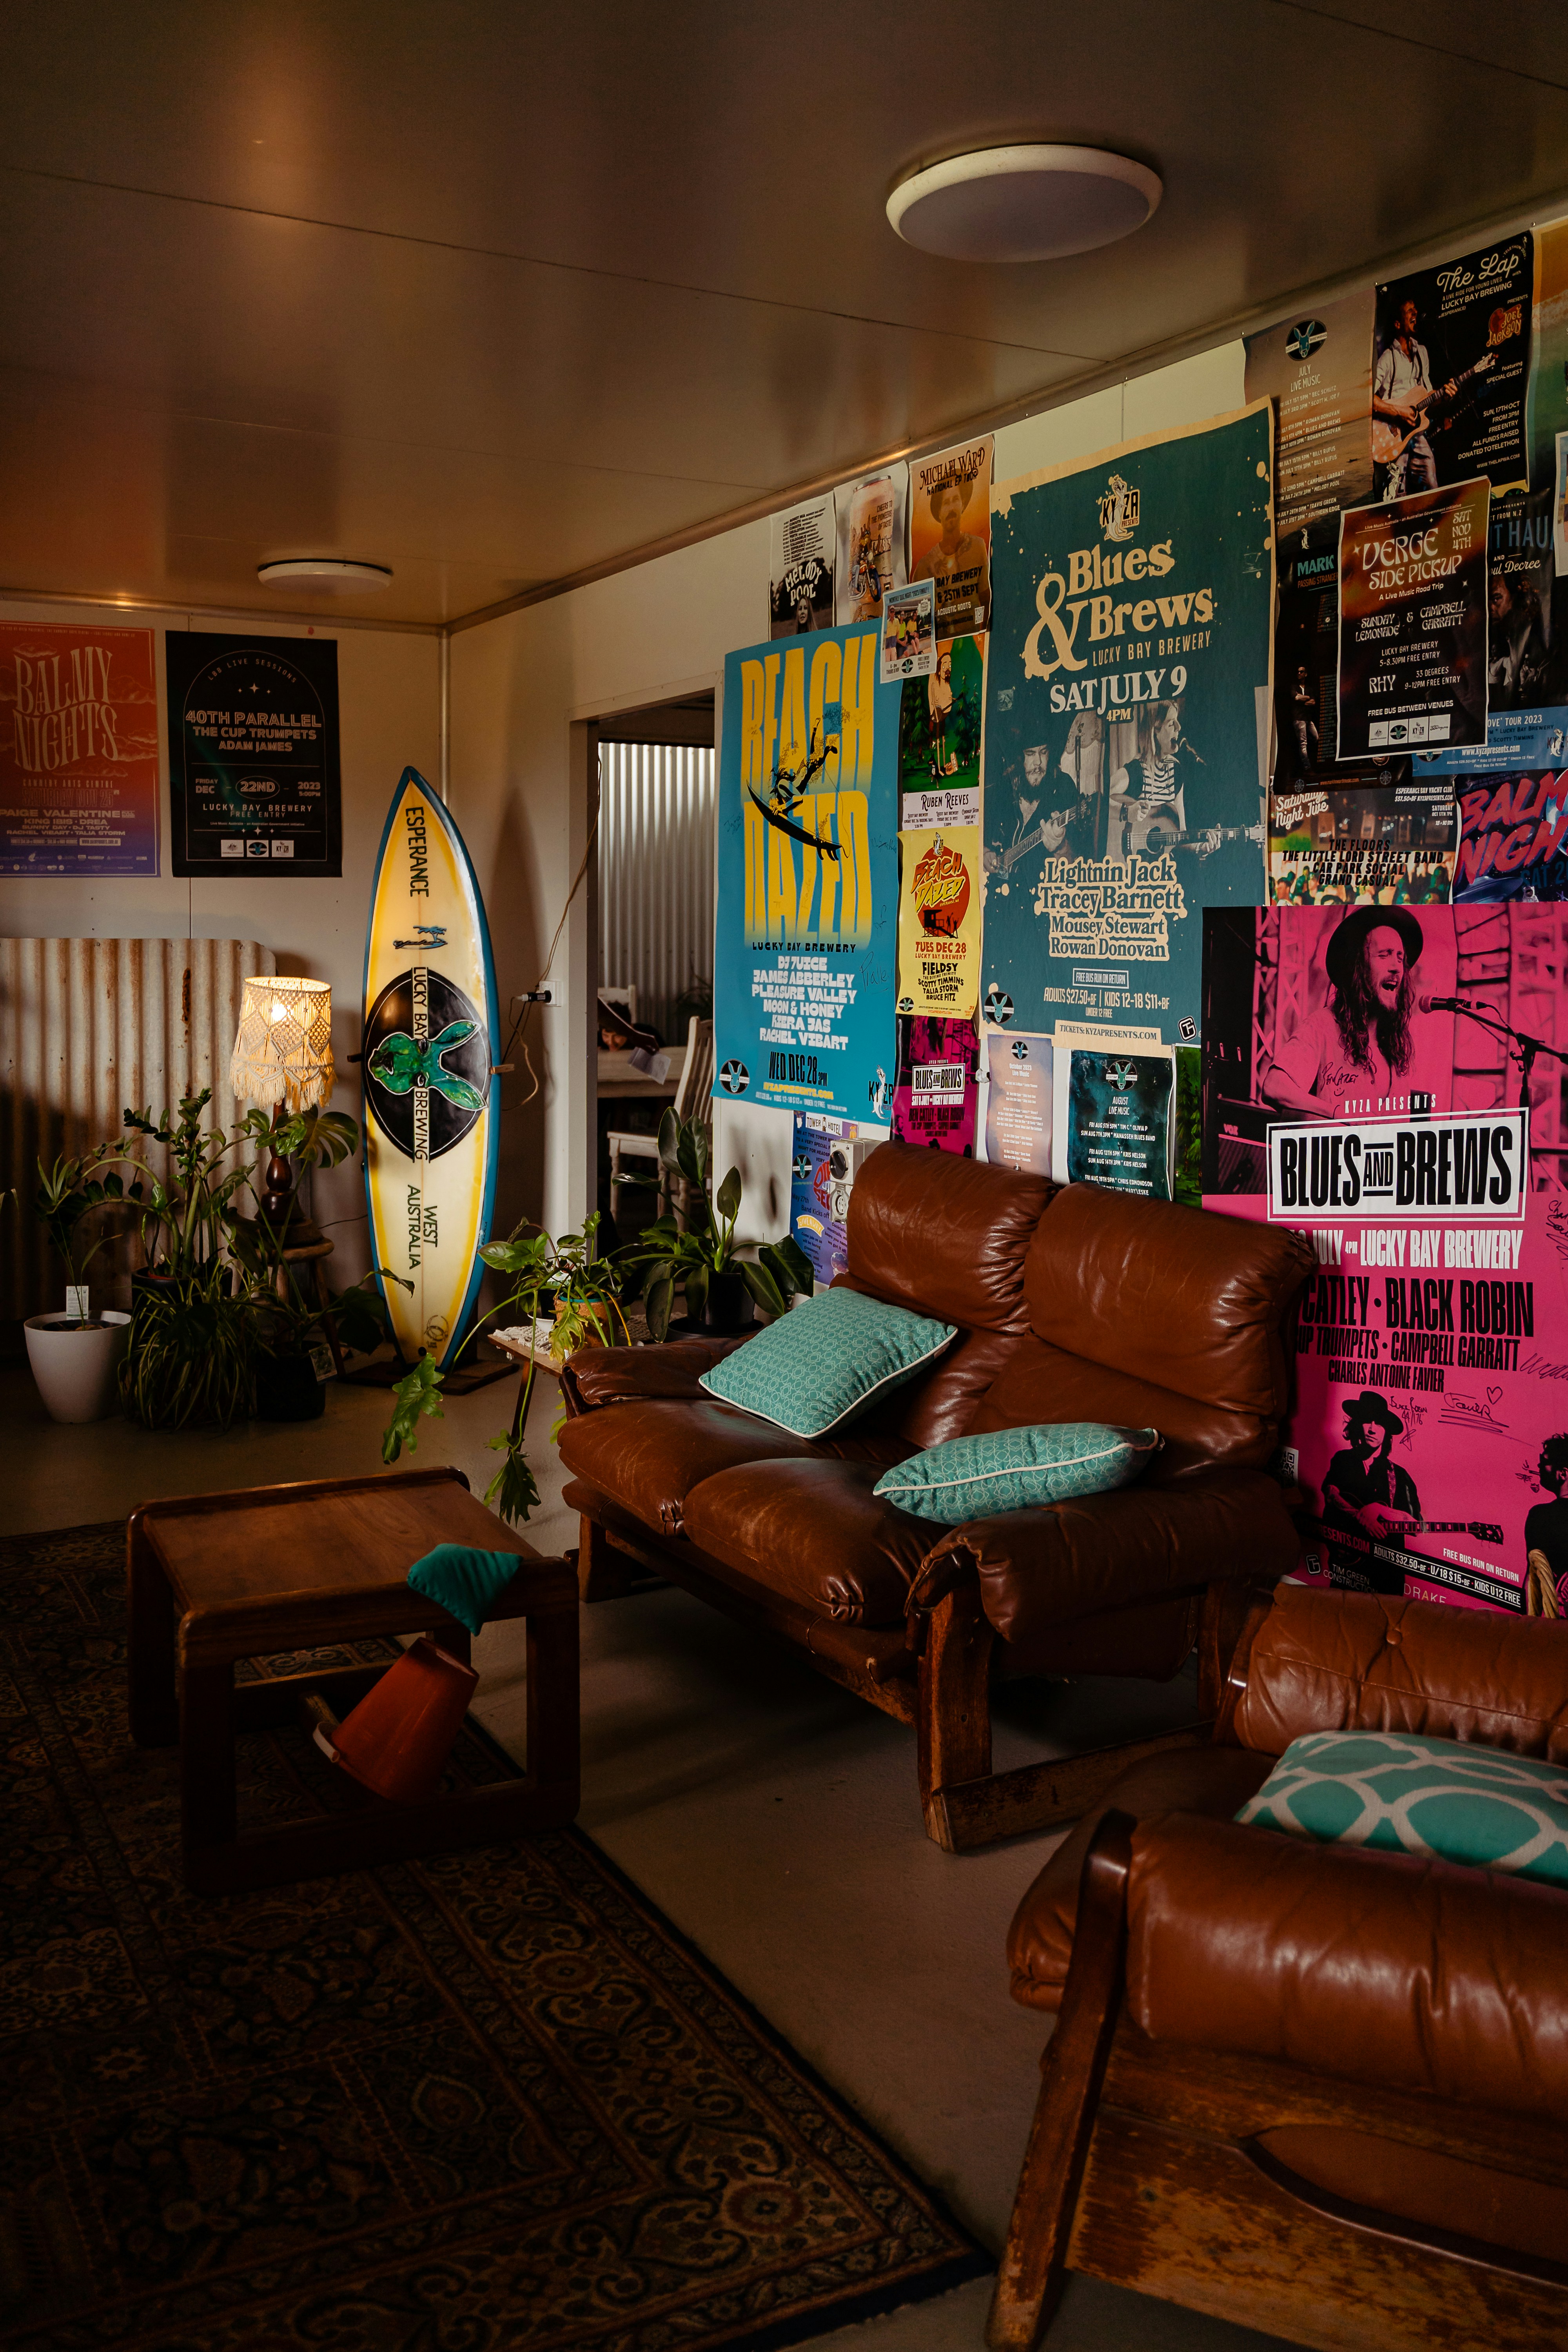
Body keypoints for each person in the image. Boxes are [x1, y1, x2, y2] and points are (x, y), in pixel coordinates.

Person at [1262, 905, 1423, 1118]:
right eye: (1384, 956)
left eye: (1401, 958)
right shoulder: (1322, 1026)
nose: (1397, 967)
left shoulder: (1394, 1049)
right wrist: (1338, 1114)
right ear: (1359, 967)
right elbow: (1275, 1087)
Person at [1321, 1390, 1423, 1593]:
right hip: (1347, 1570)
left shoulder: (1400, 1475)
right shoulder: (1343, 1460)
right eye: (1367, 1421)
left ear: (1387, 1432)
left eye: (1379, 1423)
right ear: (1358, 1424)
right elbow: (1331, 1494)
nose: (1373, 1429)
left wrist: (1379, 1510)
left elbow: (1416, 1526)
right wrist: (1360, 1516)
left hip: (1386, 1578)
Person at [1373, 296, 1455, 497]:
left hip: (1417, 433)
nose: (1415, 314)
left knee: (1432, 487)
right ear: (1398, 323)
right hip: (1392, 435)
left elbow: (1428, 395)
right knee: (1396, 496)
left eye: (1415, 310)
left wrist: (1445, 395)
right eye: (1410, 311)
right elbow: (1368, 399)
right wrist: (1398, 412)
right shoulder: (1387, 359)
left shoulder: (1422, 353)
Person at [910, 476, 990, 632]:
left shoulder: (977, 546)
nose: (951, 508)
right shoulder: (925, 567)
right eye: (946, 503)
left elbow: (987, 600)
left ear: (963, 505)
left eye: (956, 500)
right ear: (939, 513)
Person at [1487, 569, 1550, 709]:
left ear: (1516, 595)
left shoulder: (1540, 636)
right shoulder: (1494, 635)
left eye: (1496, 599)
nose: (1490, 608)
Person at [1524, 1434, 1568, 1617]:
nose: (1539, 1467)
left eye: (1545, 1463)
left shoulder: (1541, 1515)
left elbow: (1532, 1582)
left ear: (1563, 1474)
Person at [926, 650, 958, 776]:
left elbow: (947, 695)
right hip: (938, 713)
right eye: (945, 665)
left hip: (944, 712)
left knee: (943, 738)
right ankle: (939, 768)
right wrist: (936, 709)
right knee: (939, 738)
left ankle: (944, 765)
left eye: (950, 665)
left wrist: (953, 700)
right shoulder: (935, 680)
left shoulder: (945, 681)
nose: (948, 668)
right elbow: (934, 699)